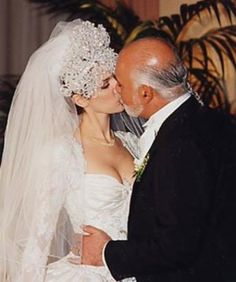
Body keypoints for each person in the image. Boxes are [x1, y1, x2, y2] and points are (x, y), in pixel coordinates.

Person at [81, 37, 236, 281]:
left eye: (120, 84)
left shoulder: (181, 143)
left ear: (145, 93)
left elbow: (177, 246)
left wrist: (106, 252)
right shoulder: (217, 121)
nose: (116, 91)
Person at [0, 19, 140, 281]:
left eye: (115, 78)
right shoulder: (62, 152)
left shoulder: (132, 142)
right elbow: (38, 240)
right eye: (105, 85)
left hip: (134, 268)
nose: (117, 88)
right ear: (80, 98)